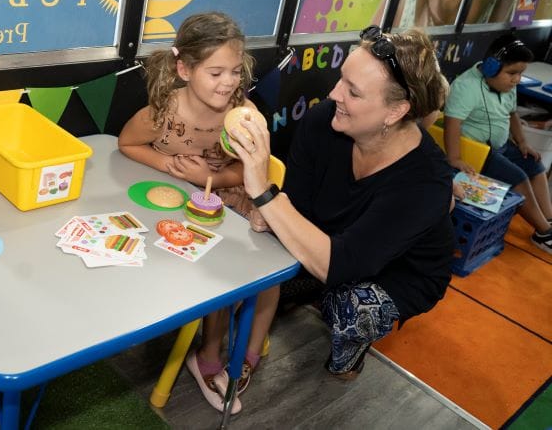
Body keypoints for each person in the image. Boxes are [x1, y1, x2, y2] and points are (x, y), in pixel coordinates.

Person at [224, 25, 455, 379]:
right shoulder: (324, 121)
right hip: (336, 243)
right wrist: (269, 214)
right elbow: (297, 206)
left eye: (354, 91)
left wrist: (265, 194)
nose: (334, 93)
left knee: (349, 306)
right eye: (341, 79)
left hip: (400, 274)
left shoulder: (427, 182)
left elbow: (340, 265)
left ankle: (349, 357)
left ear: (396, 112)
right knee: (261, 261)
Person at [118, 11, 277, 412]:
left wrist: (213, 177)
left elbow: (254, 168)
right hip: (177, 217)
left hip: (233, 206)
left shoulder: (243, 113)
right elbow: (126, 144)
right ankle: (201, 348)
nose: (229, 83)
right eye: (216, 72)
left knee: (259, 278)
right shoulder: (164, 113)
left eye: (235, 71)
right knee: (211, 276)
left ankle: (233, 354)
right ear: (184, 69)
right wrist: (168, 167)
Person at [443, 34, 552, 253]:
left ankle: (549, 219)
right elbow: (452, 123)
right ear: (491, 67)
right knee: (518, 179)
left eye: (521, 74)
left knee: (534, 165)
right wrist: (455, 158)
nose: (517, 80)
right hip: (479, 151)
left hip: (502, 146)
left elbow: (511, 114)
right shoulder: (466, 87)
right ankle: (543, 233)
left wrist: (521, 142)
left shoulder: (507, 87)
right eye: (512, 73)